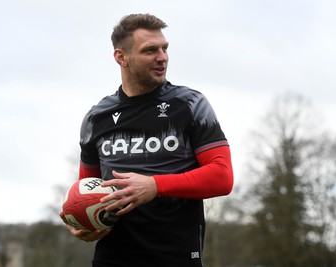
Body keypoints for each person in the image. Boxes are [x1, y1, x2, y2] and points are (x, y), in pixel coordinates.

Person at [60, 13, 234, 267]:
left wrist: (155, 185)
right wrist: (80, 224)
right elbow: (87, 189)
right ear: (121, 57)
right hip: (113, 258)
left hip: (176, 256)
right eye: (150, 50)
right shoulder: (97, 118)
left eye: (164, 49)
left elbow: (222, 176)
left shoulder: (190, 105)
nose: (162, 57)